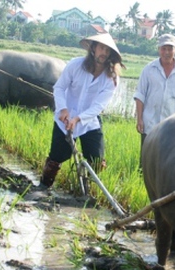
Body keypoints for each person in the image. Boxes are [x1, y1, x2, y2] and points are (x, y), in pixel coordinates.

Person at [36, 32, 125, 190]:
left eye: (107, 50)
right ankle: (43, 186)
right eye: (101, 48)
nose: (103, 53)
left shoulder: (111, 78)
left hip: (89, 122)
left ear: (111, 55)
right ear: (93, 48)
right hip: (64, 118)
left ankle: (86, 189)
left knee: (97, 160)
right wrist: (63, 109)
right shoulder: (75, 65)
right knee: (57, 157)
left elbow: (98, 106)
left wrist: (78, 119)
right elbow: (59, 88)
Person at [134, 33, 175, 152]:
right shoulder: (149, 69)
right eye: (163, 48)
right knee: (146, 162)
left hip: (172, 127)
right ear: (158, 50)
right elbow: (140, 95)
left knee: (168, 162)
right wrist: (139, 119)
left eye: (170, 49)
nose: (166, 52)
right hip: (150, 124)